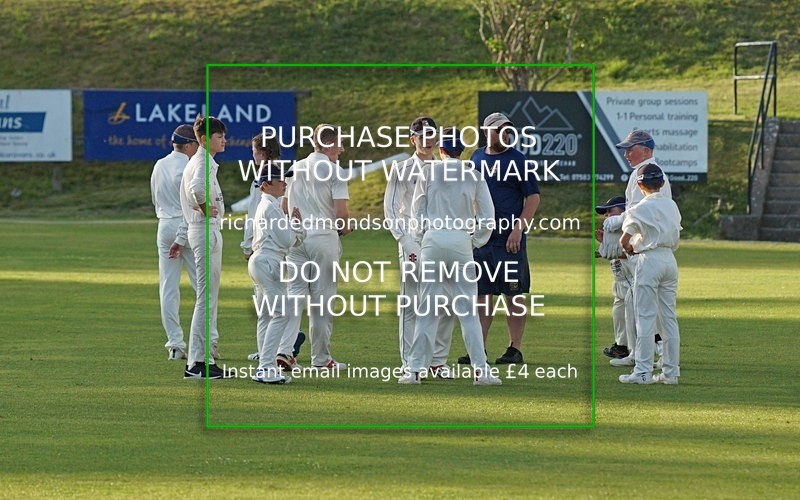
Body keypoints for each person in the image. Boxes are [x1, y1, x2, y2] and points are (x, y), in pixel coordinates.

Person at [399, 128, 501, 386]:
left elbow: (417, 211)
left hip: (434, 239)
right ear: (461, 151)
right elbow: (488, 217)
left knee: (427, 308)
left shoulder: (428, 172)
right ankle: (481, 372)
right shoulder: (474, 174)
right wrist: (474, 240)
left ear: (441, 149)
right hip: (460, 240)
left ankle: (414, 371)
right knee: (468, 311)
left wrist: (422, 238)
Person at [460, 112, 540, 365]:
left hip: (509, 240)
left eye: (508, 130)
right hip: (482, 239)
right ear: (487, 132)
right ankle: (478, 349)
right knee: (482, 296)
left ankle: (514, 349)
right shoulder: (476, 157)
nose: (505, 134)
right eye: (499, 130)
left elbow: (533, 197)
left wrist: (518, 229)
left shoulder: (518, 159)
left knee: (513, 295)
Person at [383, 116, 455, 378]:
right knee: (412, 303)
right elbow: (391, 210)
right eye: (422, 135)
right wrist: (406, 242)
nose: (427, 140)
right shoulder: (401, 169)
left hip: (441, 241)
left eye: (431, 135)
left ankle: (437, 360)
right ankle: (410, 363)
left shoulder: (446, 168)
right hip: (413, 241)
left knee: (446, 303)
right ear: (412, 139)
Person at [282, 124, 351, 369]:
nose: (342, 149)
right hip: (323, 236)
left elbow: (285, 206)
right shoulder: (335, 171)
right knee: (322, 300)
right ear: (329, 144)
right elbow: (341, 213)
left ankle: (284, 350)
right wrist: (346, 227)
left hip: (296, 237)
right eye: (339, 143)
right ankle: (321, 358)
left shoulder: (295, 168)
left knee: (294, 296)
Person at [605, 130, 673, 366]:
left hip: (643, 249)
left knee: (640, 306)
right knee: (644, 306)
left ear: (645, 150)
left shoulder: (643, 173)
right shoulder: (651, 172)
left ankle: (644, 357)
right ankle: (653, 356)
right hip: (652, 247)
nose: (626, 155)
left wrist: (615, 223)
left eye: (630, 149)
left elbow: (638, 212)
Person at [178, 114, 232, 379]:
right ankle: (197, 363)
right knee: (206, 298)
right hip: (204, 230)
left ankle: (203, 360)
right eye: (219, 136)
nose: (224, 141)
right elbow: (197, 188)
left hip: (205, 230)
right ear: (203, 139)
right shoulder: (202, 161)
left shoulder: (204, 161)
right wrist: (202, 207)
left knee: (207, 297)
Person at [243, 133, 305, 364]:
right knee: (277, 312)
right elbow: (288, 238)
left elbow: (254, 216)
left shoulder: (268, 183)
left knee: (270, 311)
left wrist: (247, 244)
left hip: (267, 252)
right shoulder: (269, 192)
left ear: (261, 152)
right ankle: (272, 357)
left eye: (254, 151)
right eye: (281, 182)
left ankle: (270, 355)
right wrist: (297, 228)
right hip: (270, 254)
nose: (285, 185)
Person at [618, 164, 682, 385]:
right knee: (669, 318)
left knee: (645, 317)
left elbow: (624, 240)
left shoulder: (639, 208)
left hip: (649, 259)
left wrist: (631, 248)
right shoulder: (672, 205)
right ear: (662, 183)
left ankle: (643, 371)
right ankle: (671, 373)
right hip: (669, 260)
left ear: (639, 185)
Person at [150, 124, 198, 361]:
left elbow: (154, 198)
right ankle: (209, 343)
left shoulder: (159, 164)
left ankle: (175, 344)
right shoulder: (191, 166)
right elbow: (192, 205)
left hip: (164, 224)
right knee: (203, 287)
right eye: (196, 144)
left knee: (168, 288)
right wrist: (181, 234)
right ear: (188, 145)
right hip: (186, 225)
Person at [595, 196, 634, 361]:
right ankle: (621, 346)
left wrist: (611, 252)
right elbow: (612, 252)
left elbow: (632, 253)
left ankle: (643, 351)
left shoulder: (631, 227)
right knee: (619, 311)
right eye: (605, 212)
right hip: (619, 279)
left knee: (635, 314)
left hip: (631, 279)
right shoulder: (613, 231)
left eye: (610, 211)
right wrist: (603, 246)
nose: (606, 215)